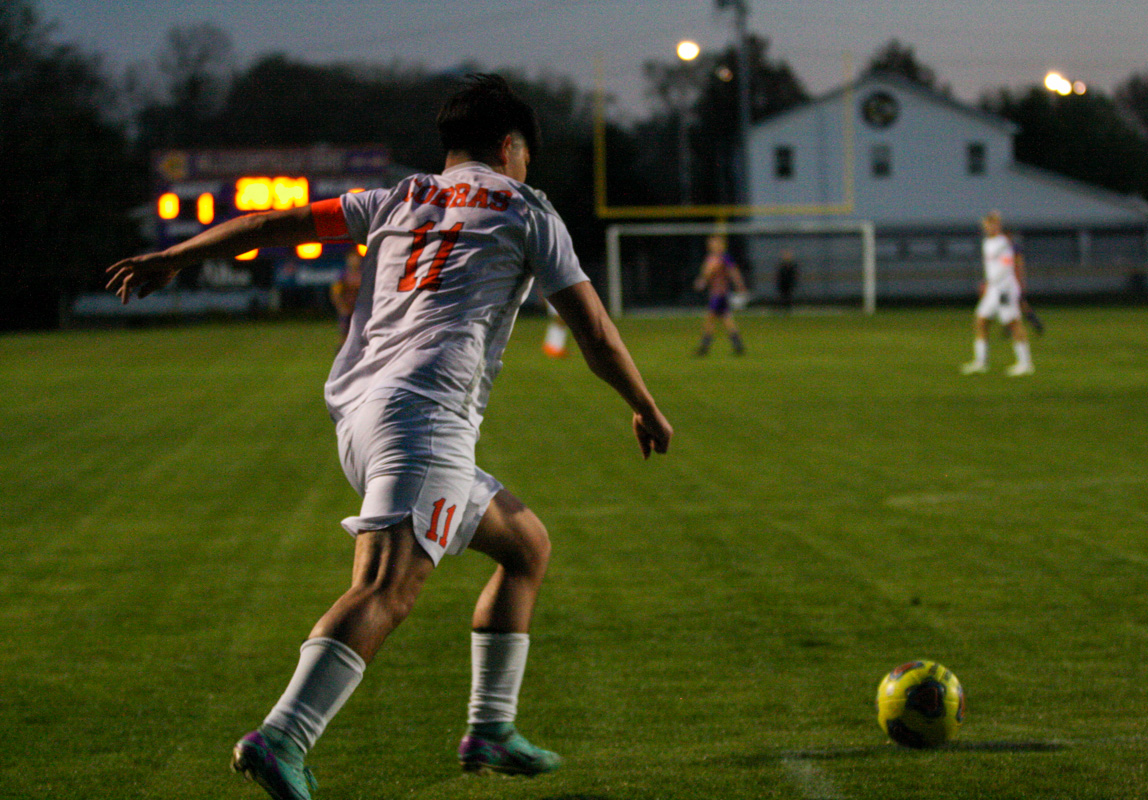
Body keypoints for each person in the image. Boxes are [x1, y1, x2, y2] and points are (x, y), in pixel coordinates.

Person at [106, 74, 673, 800]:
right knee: (384, 586)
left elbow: (275, 225)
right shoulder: (528, 209)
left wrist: (175, 256)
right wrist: (644, 405)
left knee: (525, 546)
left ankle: (490, 729)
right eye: (525, 154)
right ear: (509, 146)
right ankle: (282, 736)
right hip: (425, 422)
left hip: (363, 418)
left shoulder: (397, 198)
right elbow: (592, 330)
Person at [960, 211, 1034, 376]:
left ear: (998, 226)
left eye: (993, 224)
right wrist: (987, 283)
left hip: (1004, 288)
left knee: (1013, 322)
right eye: (987, 225)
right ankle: (981, 362)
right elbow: (991, 267)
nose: (989, 227)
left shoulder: (1003, 242)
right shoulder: (987, 242)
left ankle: (1025, 364)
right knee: (981, 320)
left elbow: (1006, 265)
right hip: (993, 289)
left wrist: (991, 282)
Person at [693, 234, 747, 356]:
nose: (712, 245)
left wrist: (739, 285)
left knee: (710, 318)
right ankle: (738, 345)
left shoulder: (723, 258)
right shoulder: (713, 258)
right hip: (717, 292)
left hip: (719, 293)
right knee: (726, 318)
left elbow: (733, 272)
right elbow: (707, 274)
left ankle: (704, 347)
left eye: (714, 243)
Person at [329, 248, 362, 346]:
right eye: (352, 258)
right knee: (345, 334)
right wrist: (341, 306)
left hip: (361, 309)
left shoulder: (364, 274)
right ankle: (342, 351)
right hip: (347, 309)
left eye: (356, 258)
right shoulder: (343, 275)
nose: (354, 261)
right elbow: (335, 292)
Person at [775, 248, 798, 313]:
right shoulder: (782, 266)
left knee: (789, 296)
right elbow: (779, 276)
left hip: (789, 283)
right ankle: (782, 308)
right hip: (783, 284)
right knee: (782, 296)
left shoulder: (792, 266)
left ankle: (788, 309)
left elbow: (794, 275)